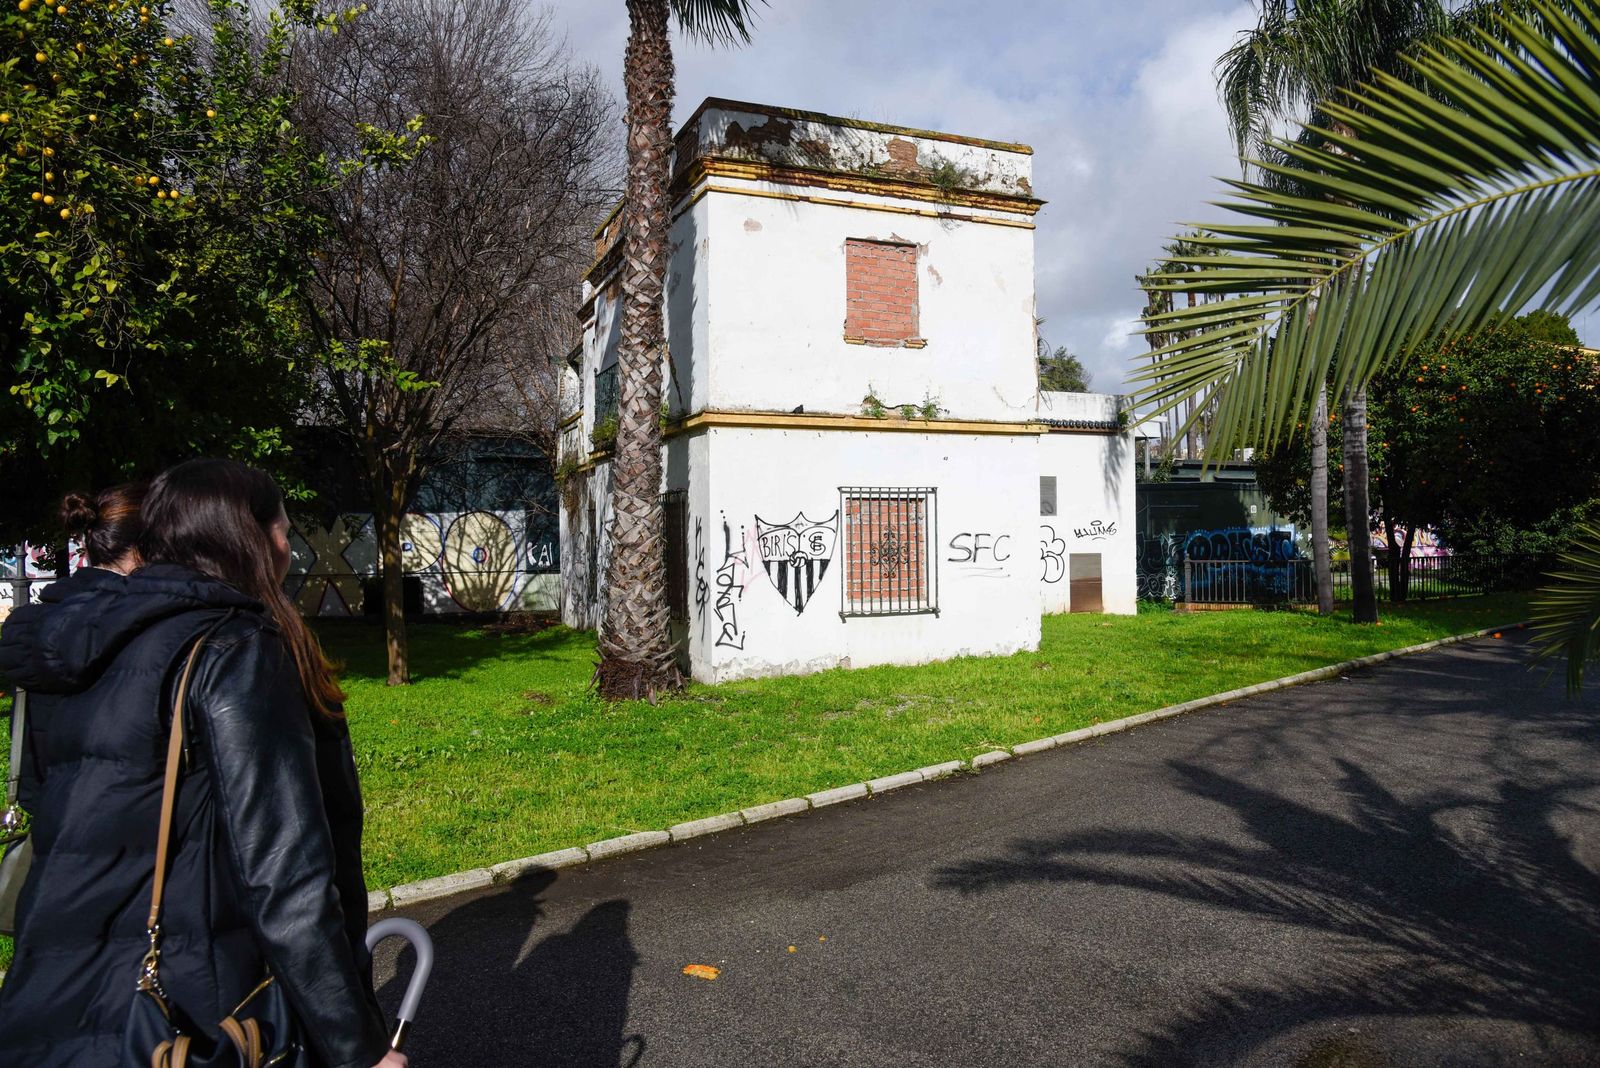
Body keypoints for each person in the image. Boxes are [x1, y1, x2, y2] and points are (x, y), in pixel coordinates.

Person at [0, 460, 405, 1068]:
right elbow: (286, 877)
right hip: (184, 1014)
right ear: (248, 537)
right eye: (281, 529)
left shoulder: (74, 644)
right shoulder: (236, 650)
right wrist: (359, 1050)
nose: (287, 548)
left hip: (47, 1000)